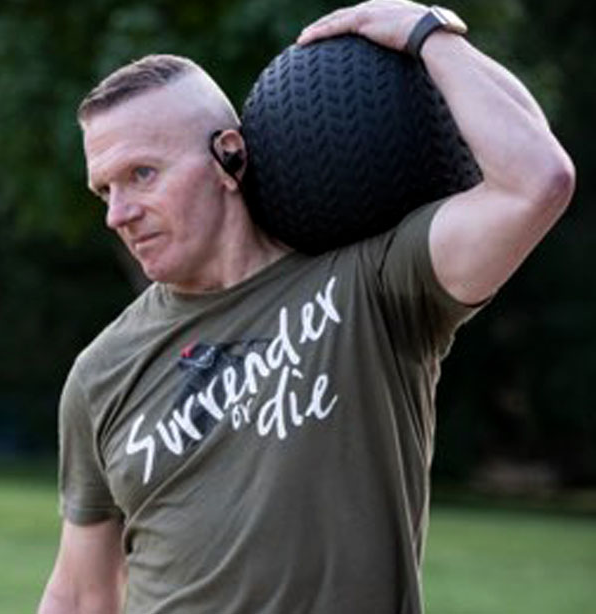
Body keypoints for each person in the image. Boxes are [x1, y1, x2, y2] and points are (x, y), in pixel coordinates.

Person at [37, 1, 575, 612]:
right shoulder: (101, 372)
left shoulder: (375, 287)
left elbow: (538, 181)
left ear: (229, 157)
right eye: (104, 189)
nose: (118, 213)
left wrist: (430, 34)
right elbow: (81, 592)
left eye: (142, 174)